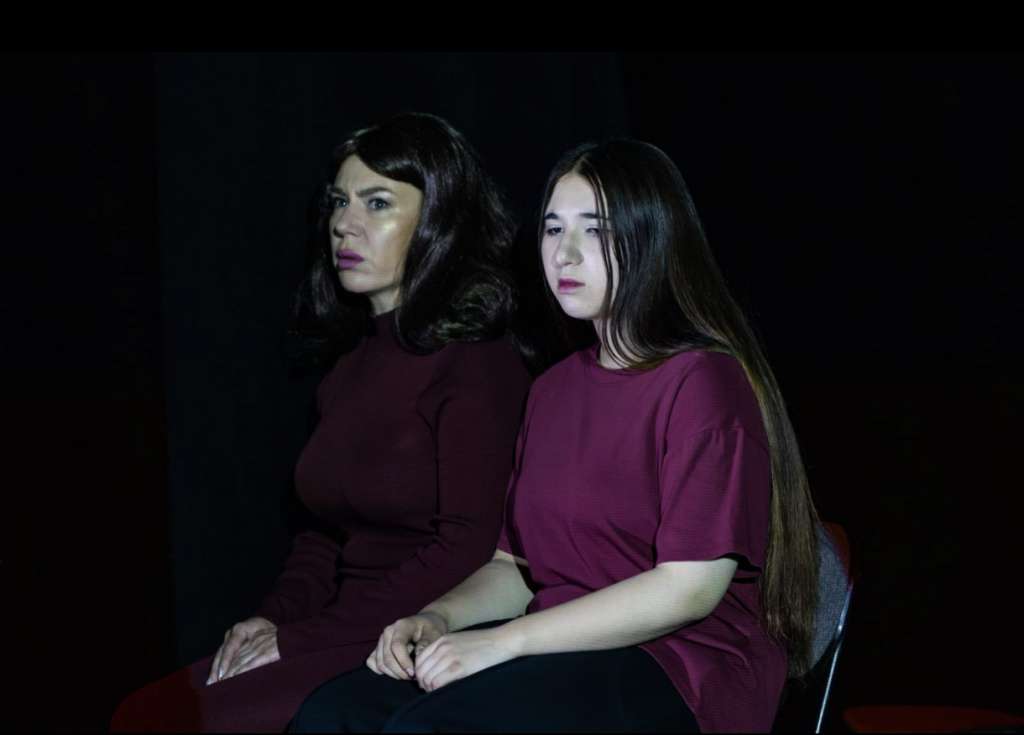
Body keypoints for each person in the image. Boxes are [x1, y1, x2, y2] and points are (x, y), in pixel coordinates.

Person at [290, 139, 822, 733]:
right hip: (555, 649)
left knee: (435, 727)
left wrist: (504, 642)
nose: (565, 254)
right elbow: (514, 567)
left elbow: (688, 590)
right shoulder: (552, 388)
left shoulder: (702, 380)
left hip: (677, 665)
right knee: (333, 713)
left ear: (652, 237)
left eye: (594, 230)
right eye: (552, 229)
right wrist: (438, 617)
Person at [110, 112, 531, 732]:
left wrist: (301, 639)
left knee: (180, 722)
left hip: (415, 637)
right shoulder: (348, 367)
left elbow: (467, 548)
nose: (343, 224)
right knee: (145, 711)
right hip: (334, 628)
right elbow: (322, 535)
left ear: (438, 220)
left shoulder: (477, 362)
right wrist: (272, 618)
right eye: (339, 202)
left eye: (377, 203)